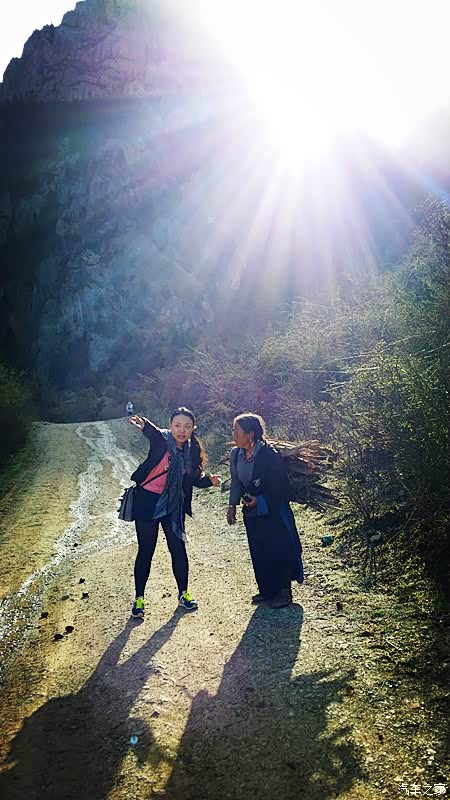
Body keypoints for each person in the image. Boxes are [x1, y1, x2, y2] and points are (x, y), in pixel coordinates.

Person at [128, 407, 221, 618]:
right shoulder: (162, 441)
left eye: (187, 426)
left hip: (173, 506)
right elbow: (153, 433)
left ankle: (183, 594)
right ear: (170, 426)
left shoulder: (192, 451)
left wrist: (209, 481)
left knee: (178, 549)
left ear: (193, 428)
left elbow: (194, 479)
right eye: (177, 425)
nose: (182, 430)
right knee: (146, 551)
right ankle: (139, 598)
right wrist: (144, 425)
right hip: (147, 503)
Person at [227, 413, 304, 608]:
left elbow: (280, 487)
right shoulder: (236, 454)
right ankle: (267, 590)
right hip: (252, 511)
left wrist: (259, 500)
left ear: (250, 435)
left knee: (278, 548)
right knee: (259, 549)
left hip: (274, 510)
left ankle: (284, 592)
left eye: (236, 430)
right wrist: (232, 505)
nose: (233, 434)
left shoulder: (269, 455)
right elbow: (236, 481)